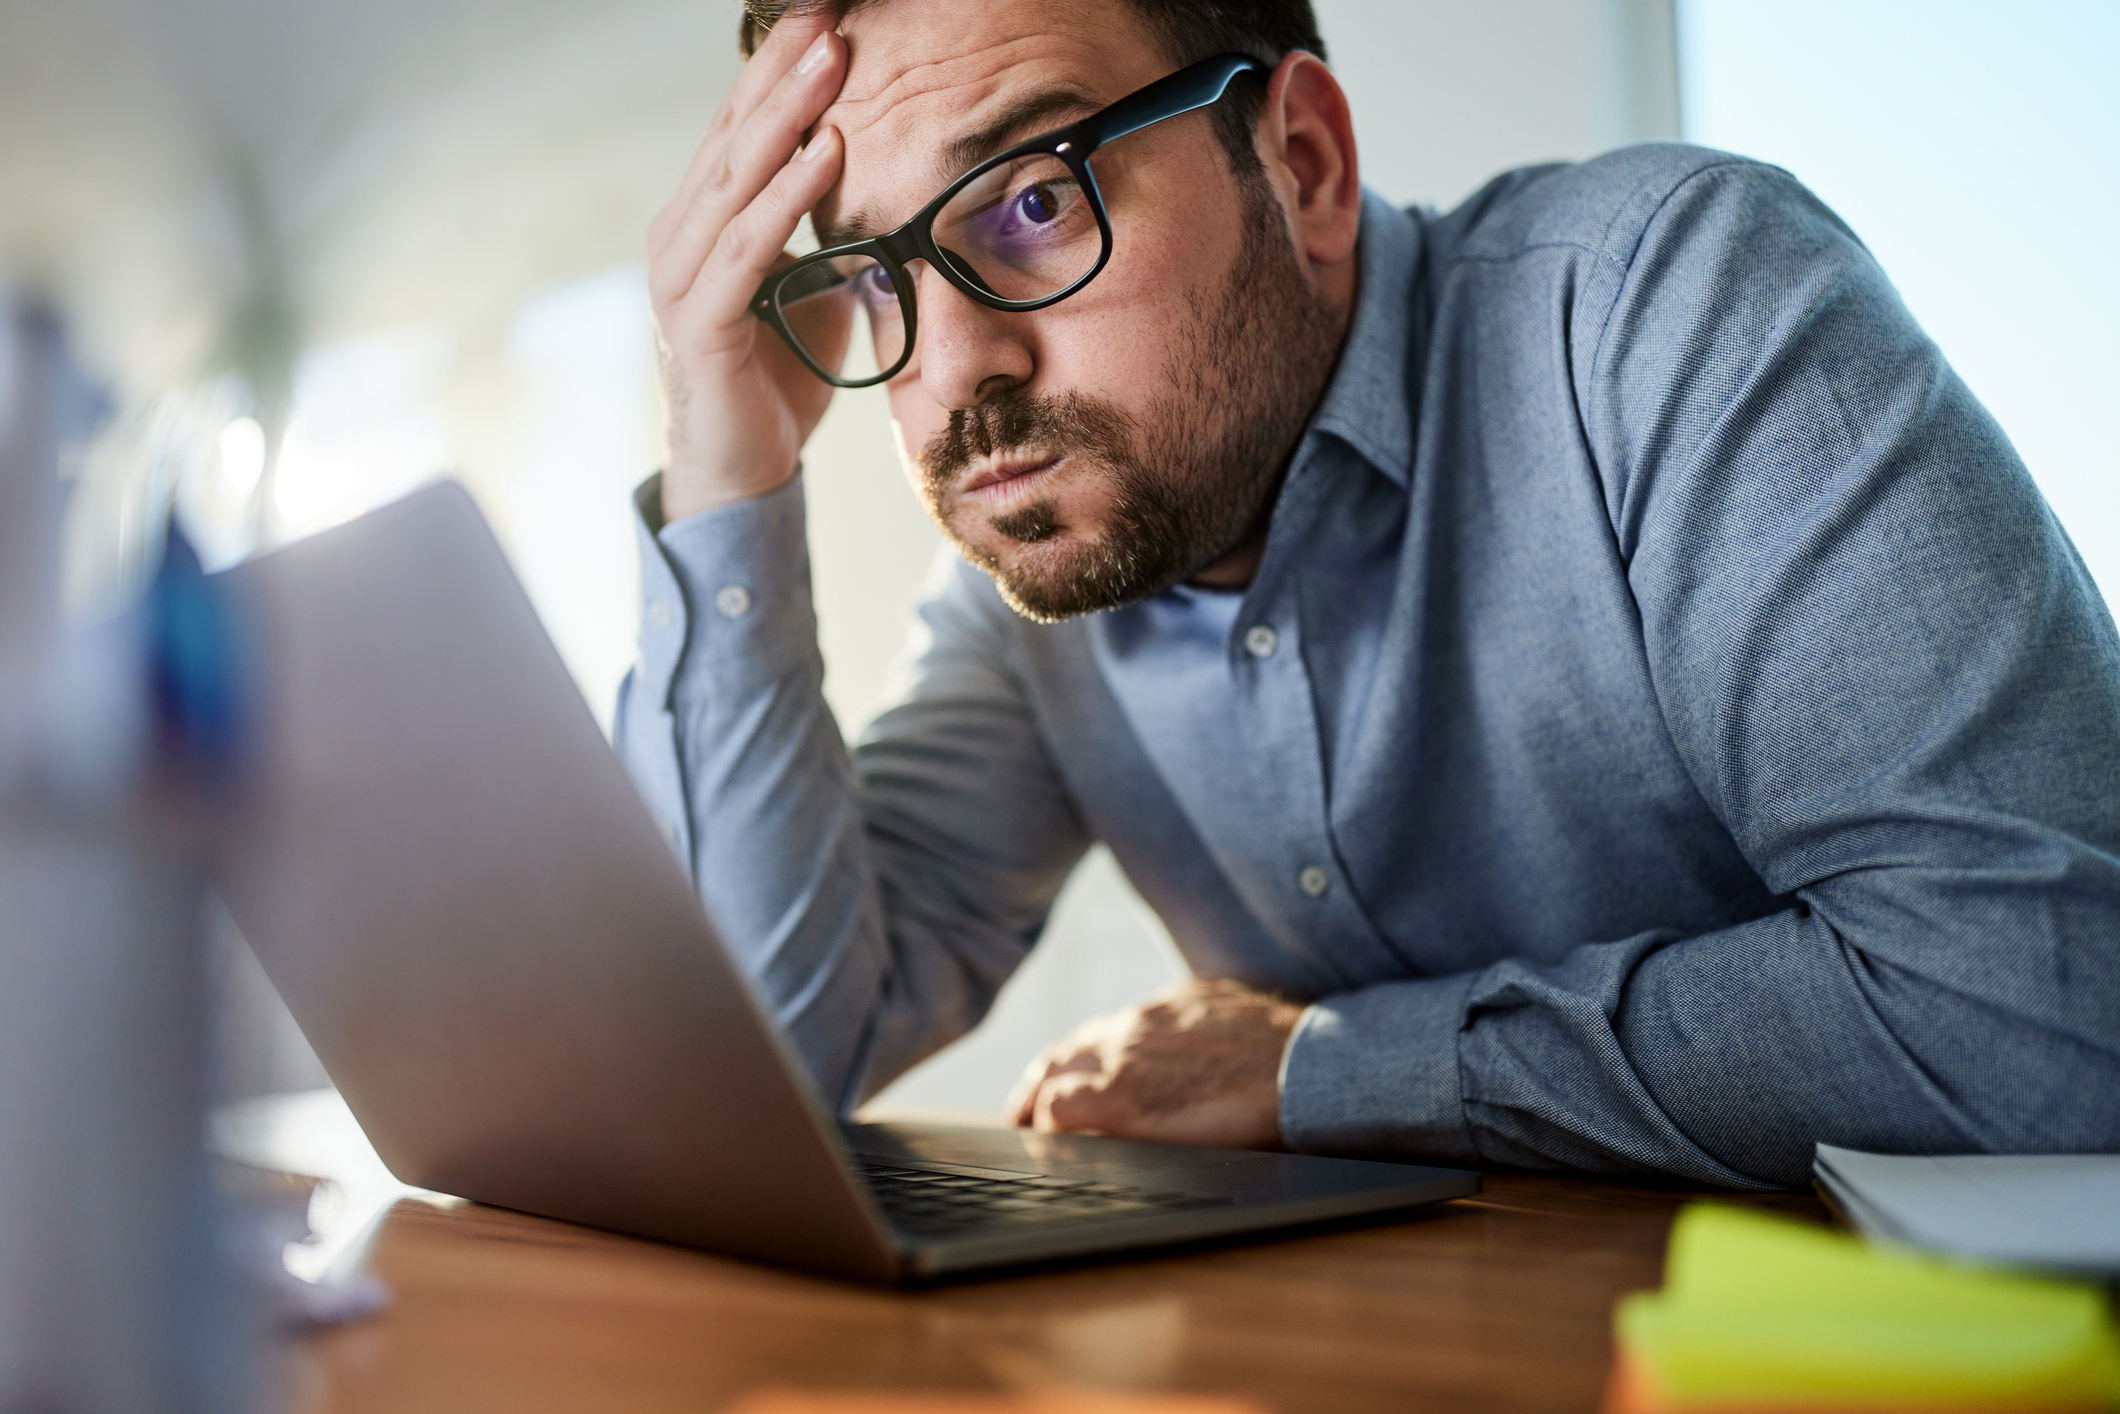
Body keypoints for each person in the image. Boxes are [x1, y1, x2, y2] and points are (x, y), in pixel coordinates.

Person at [616, 0, 2120, 1189]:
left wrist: (1325, 1070)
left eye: (1029, 205)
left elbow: (2041, 1016)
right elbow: (756, 1063)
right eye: (878, 278)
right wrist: (720, 475)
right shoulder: (1040, 594)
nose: (952, 378)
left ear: (1306, 165)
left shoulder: (1667, 305)